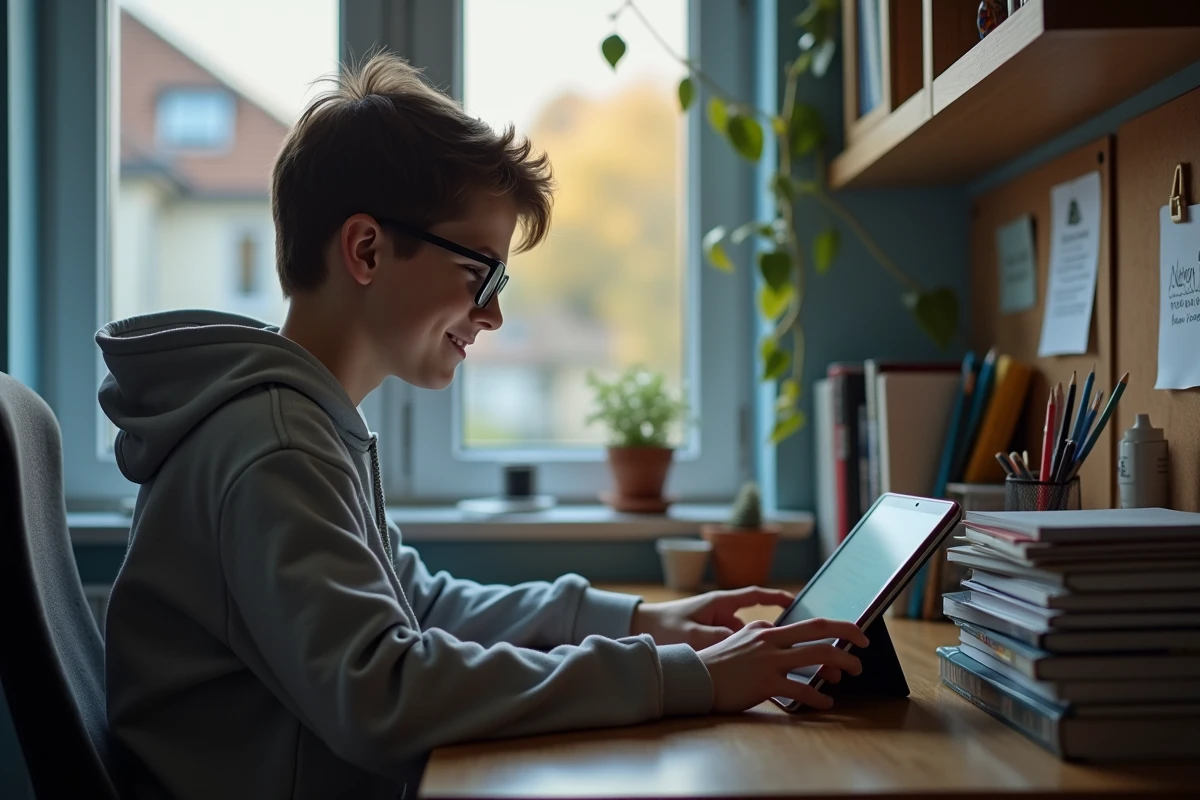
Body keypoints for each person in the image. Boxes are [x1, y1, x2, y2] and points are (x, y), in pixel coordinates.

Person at [98, 53, 867, 800]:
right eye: (481, 273)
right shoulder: (275, 447)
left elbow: (420, 607)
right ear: (366, 249)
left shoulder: (304, 424)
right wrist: (684, 678)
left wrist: (642, 620)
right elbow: (386, 696)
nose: (494, 313)